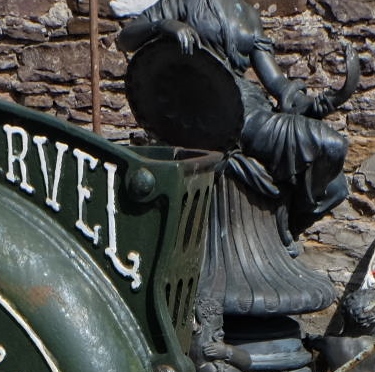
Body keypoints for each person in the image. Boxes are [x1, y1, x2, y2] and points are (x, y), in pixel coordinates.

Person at [118, 0, 359, 235]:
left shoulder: (248, 15)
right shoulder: (184, 2)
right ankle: (282, 228)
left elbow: (276, 83)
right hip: (212, 112)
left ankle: (285, 227)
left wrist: (329, 100)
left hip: (252, 107)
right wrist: (162, 25)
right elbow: (126, 38)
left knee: (335, 187)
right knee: (332, 145)